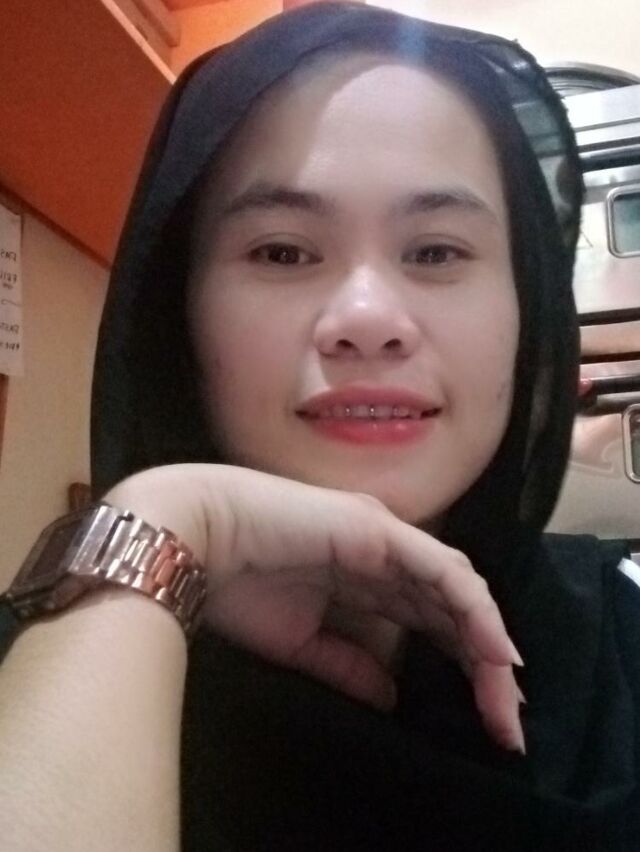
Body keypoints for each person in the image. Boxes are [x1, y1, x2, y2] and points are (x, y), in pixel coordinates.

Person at [1, 3, 639, 850]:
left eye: (436, 251)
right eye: (283, 252)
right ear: (177, 313)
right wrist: (161, 524)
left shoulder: (624, 640)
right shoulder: (47, 678)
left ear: (528, 308)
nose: (367, 320)